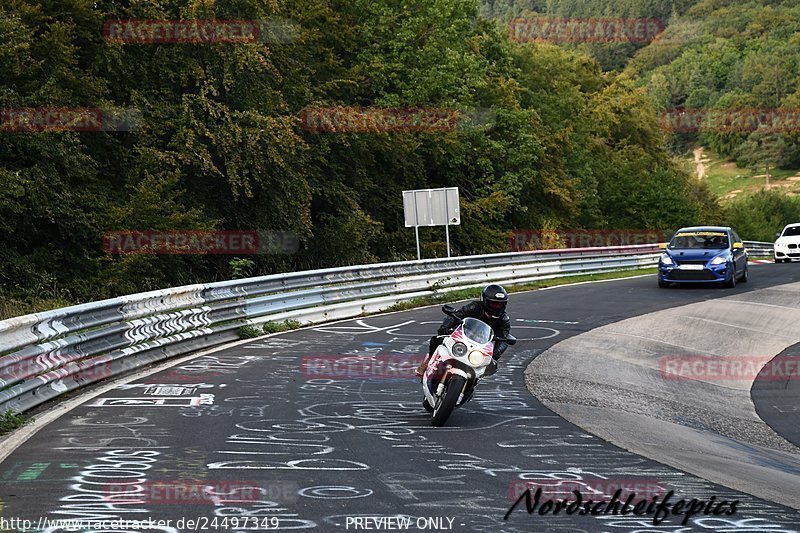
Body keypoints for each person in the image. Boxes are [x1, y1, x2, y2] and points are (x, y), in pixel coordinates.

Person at [415, 284, 512, 377]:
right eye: (494, 304)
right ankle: (429, 360)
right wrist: (445, 327)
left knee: (485, 367)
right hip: (463, 335)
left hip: (482, 345)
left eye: (500, 304)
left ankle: (472, 383)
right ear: (485, 301)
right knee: (437, 339)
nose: (497, 307)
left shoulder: (503, 319)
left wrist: (496, 354)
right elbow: (458, 315)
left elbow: (504, 337)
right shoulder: (474, 307)